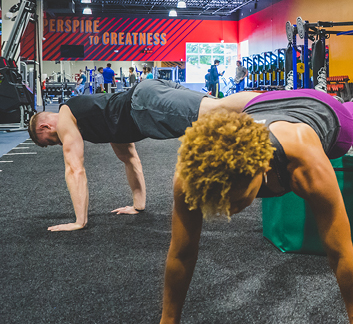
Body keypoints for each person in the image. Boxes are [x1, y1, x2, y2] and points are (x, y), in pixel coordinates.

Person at [120, 90, 353, 324]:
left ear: (263, 167)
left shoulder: (306, 161)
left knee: (350, 124)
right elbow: (182, 252)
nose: (226, 212)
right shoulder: (192, 173)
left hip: (323, 110)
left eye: (234, 202)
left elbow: (340, 252)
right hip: (261, 104)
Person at [27, 80, 271, 231]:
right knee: (217, 112)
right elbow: (130, 158)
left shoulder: (66, 116)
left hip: (144, 103)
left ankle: (284, 101)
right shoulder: (99, 117)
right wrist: (138, 205)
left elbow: (75, 169)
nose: (55, 144)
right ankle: (277, 107)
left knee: (218, 109)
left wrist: (79, 221)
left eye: (48, 143)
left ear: (45, 128)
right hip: (145, 98)